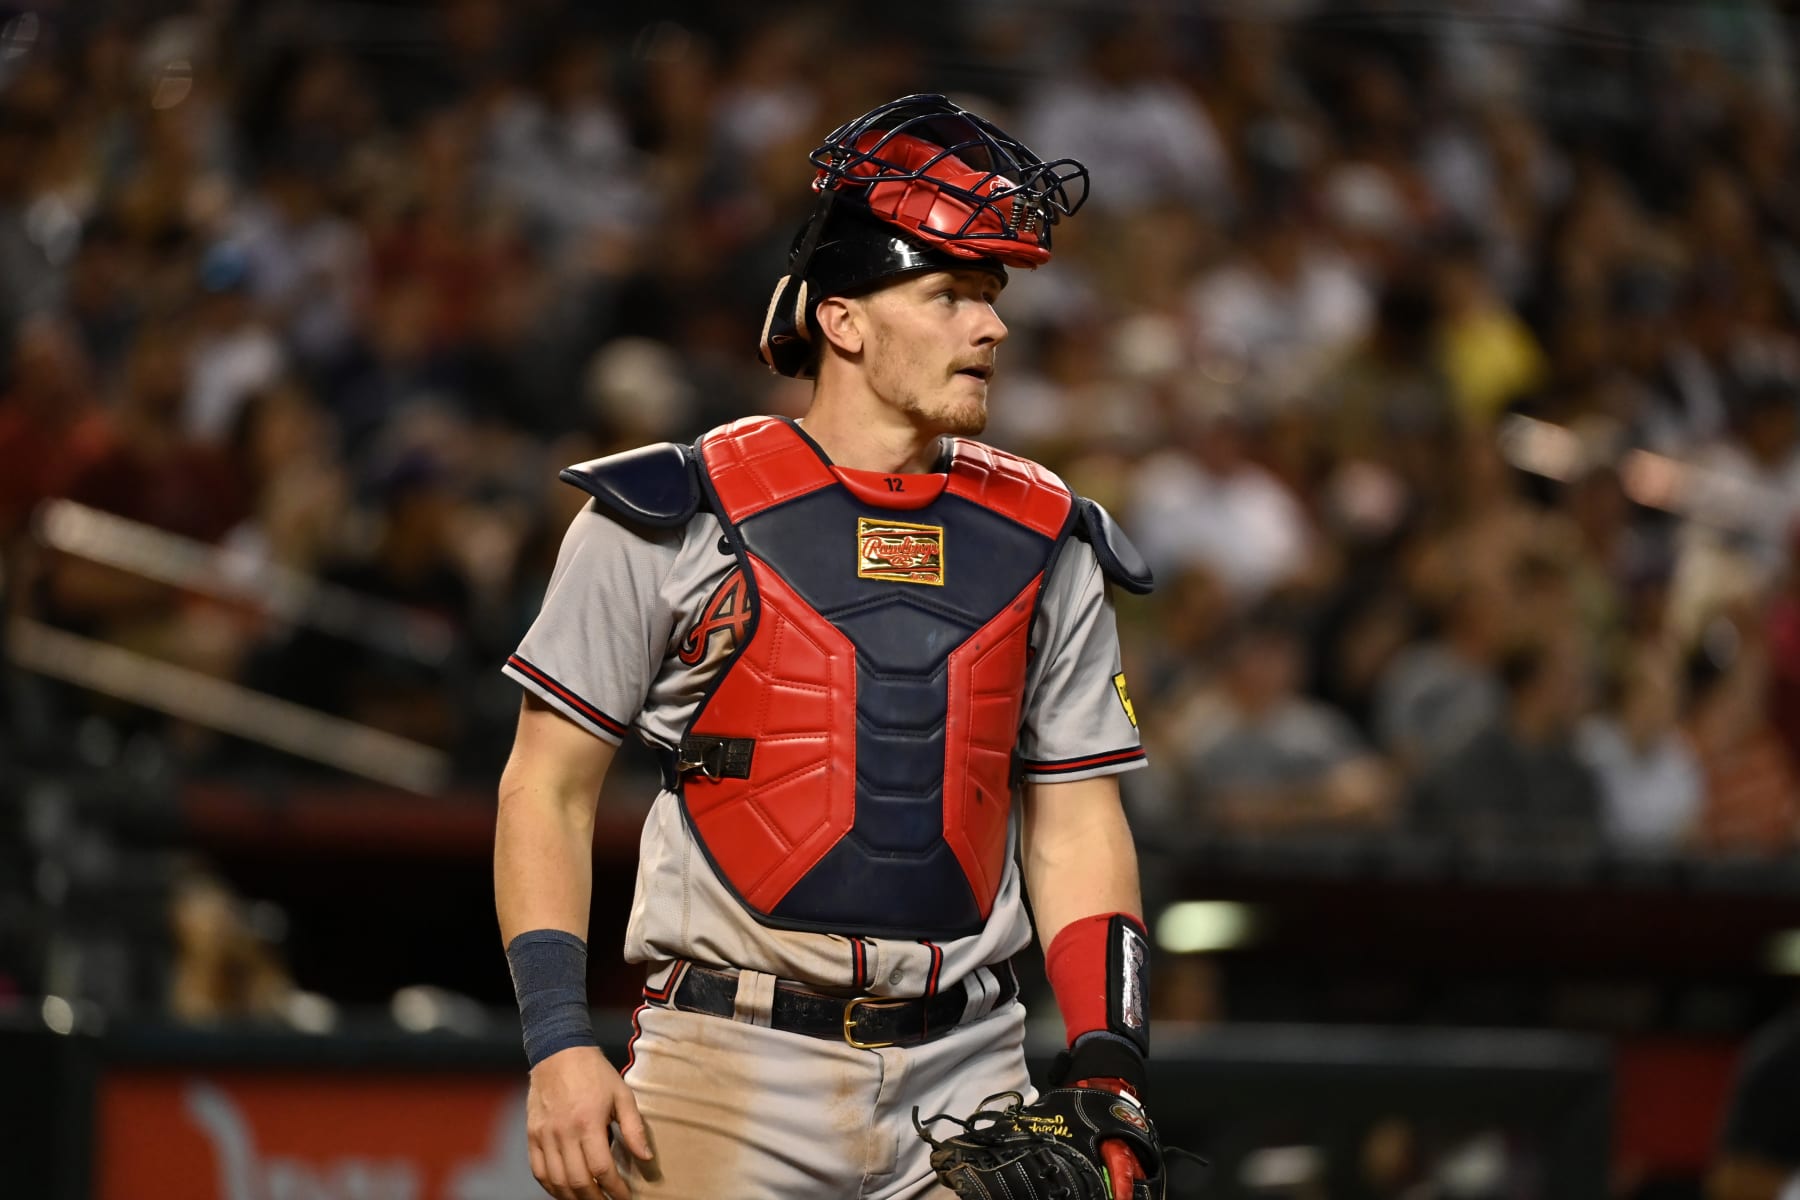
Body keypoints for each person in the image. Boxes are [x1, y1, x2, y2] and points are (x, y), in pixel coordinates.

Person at [494, 95, 1164, 1200]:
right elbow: (545, 789)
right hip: (727, 1060)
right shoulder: (669, 515)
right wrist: (559, 1042)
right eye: (950, 296)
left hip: (973, 1067)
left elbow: (1078, 822)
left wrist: (1109, 1060)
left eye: (991, 298)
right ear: (843, 321)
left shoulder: (1050, 537)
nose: (991, 328)